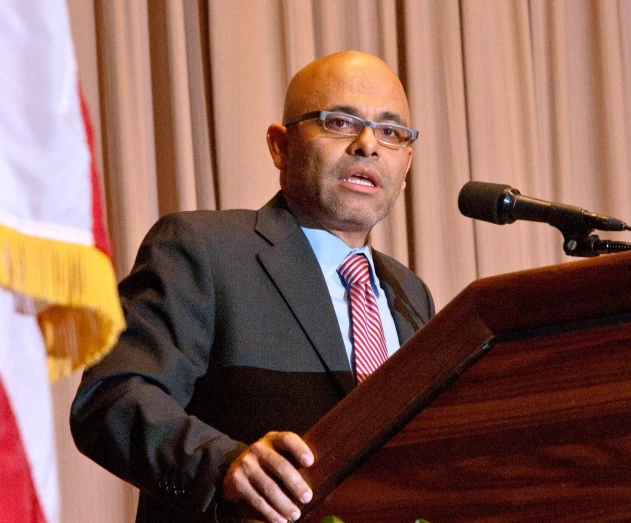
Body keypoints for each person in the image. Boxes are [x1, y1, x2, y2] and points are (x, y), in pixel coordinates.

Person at [70, 51, 435, 523]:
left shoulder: (411, 295)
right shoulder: (205, 250)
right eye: (340, 123)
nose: (368, 145)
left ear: (406, 164)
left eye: (390, 132)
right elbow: (113, 397)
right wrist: (223, 465)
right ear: (280, 146)